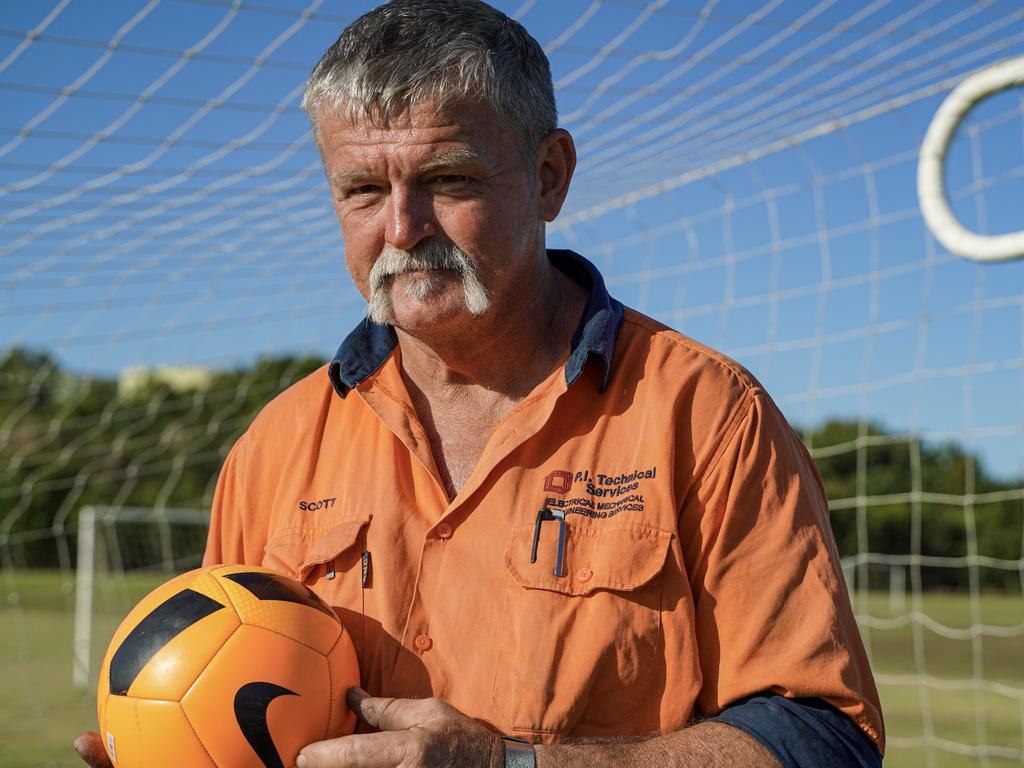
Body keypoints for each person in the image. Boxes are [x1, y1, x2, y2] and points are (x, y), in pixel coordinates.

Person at [76, 1, 885, 766]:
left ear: (550, 175)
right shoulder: (277, 445)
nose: (401, 228)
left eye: (450, 179)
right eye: (363, 190)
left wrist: (517, 763)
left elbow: (823, 739)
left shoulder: (707, 414)